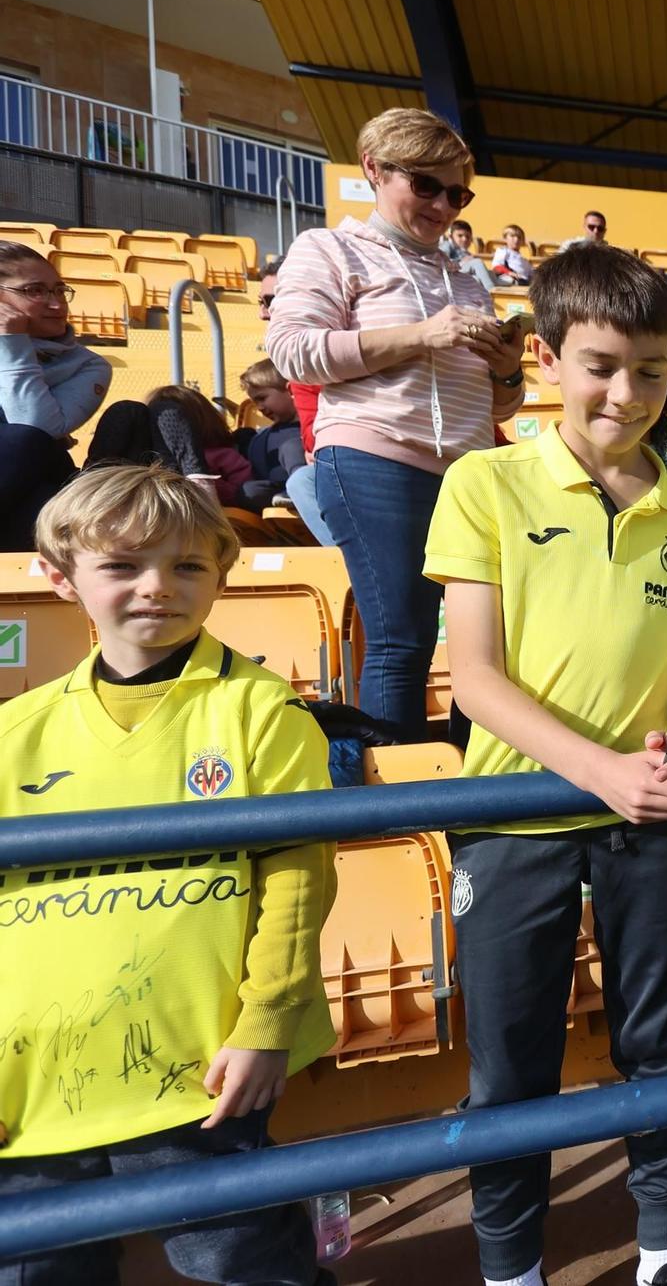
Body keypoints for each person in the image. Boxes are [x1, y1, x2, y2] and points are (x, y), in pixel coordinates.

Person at [425, 245, 667, 1286]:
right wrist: (601, 772)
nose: (624, 392)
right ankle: (511, 1268)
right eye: (599, 364)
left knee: (658, 1047)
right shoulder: (483, 482)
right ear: (545, 356)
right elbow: (476, 683)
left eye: (649, 369)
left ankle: (666, 1246)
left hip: (647, 815)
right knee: (511, 1066)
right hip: (513, 820)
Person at [0, 462, 335, 1285]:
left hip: (200, 1068)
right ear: (59, 574)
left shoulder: (261, 709)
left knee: (241, 1259)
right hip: (33, 1077)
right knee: (38, 1270)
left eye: (187, 566)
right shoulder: (16, 731)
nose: (158, 587)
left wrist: (265, 1025)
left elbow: (297, 879)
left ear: (220, 575)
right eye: (122, 566)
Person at [265, 106, 527, 738]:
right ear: (376, 170)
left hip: (466, 471)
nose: (444, 205)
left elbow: (497, 408)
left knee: (485, 645)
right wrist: (421, 335)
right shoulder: (327, 247)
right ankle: (402, 814)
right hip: (373, 459)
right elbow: (294, 349)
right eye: (427, 185)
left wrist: (508, 371)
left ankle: (470, 794)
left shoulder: (466, 279)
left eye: (457, 193)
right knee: (402, 640)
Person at [0, 240, 106, 549]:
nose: (58, 304)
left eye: (59, 290)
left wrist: (13, 345)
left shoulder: (88, 364)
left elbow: (35, 429)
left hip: (37, 481)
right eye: (36, 291)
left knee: (41, 490)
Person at [237, 358, 307, 513]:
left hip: (309, 486)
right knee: (248, 490)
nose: (259, 407)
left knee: (292, 447)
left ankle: (301, 493)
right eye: (255, 402)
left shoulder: (312, 427)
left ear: (290, 390)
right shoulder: (261, 438)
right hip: (277, 495)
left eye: (262, 398)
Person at [443, 218, 498, 288]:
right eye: (460, 236)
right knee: (477, 262)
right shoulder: (447, 245)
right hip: (451, 275)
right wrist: (462, 262)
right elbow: (442, 262)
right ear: (451, 237)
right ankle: (492, 291)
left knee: (486, 275)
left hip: (462, 276)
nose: (464, 239)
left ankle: (510, 283)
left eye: (468, 237)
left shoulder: (466, 253)